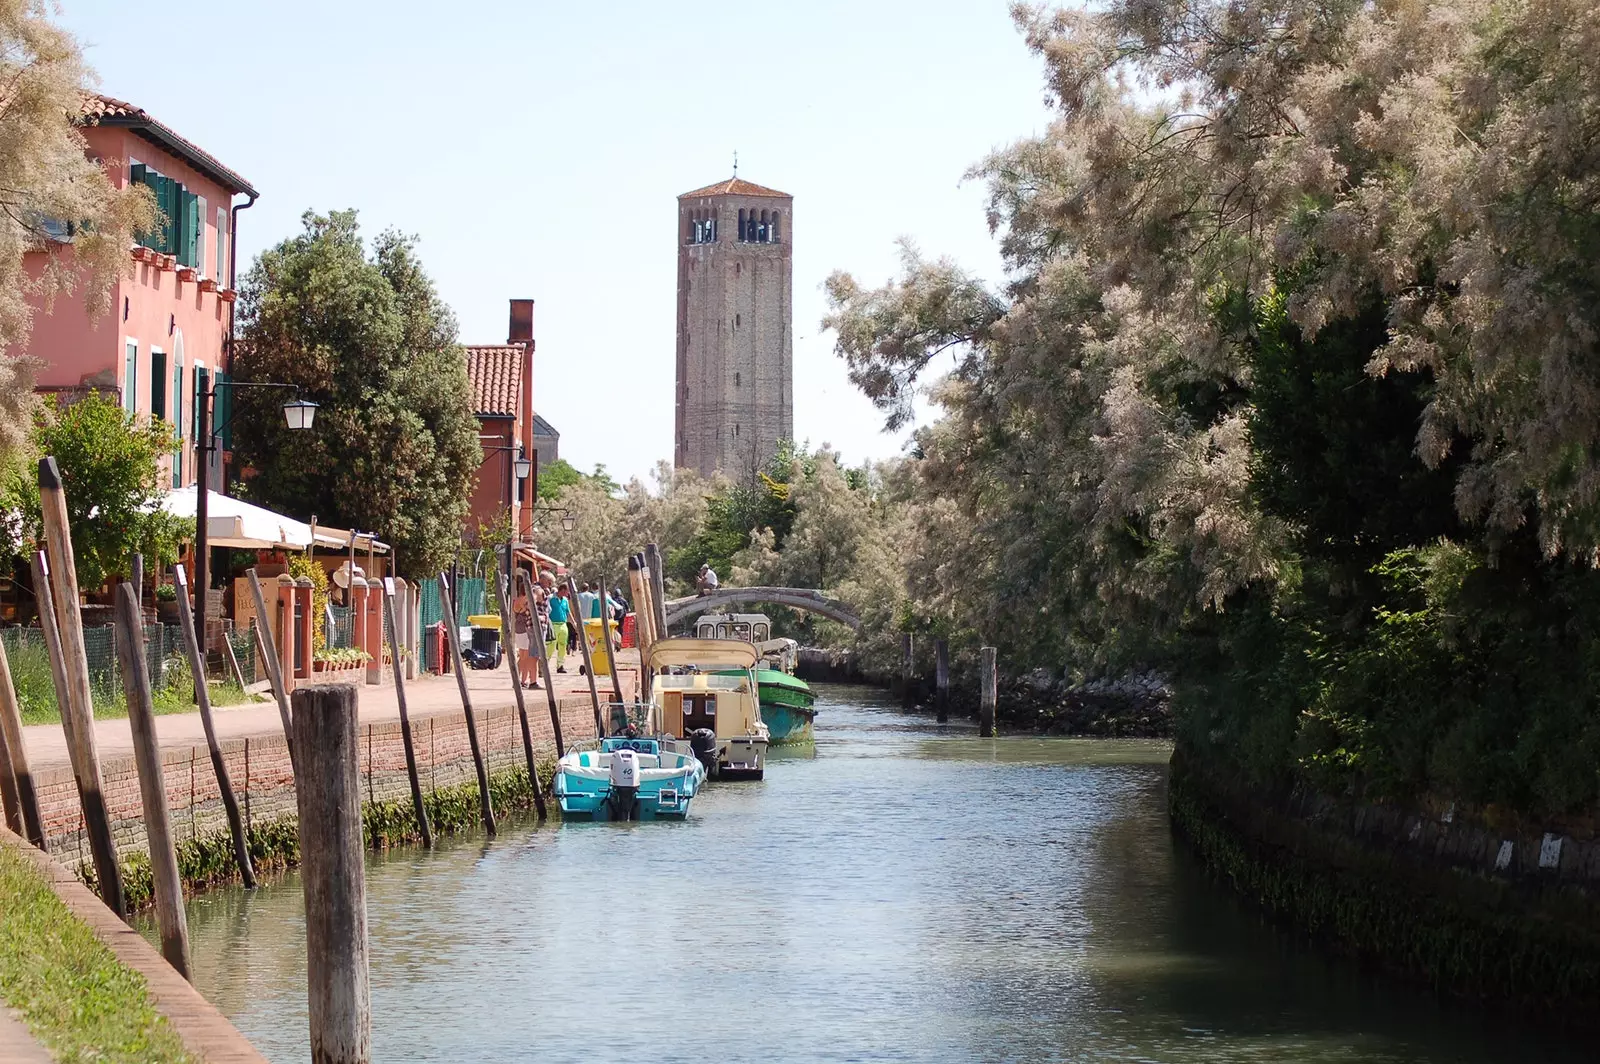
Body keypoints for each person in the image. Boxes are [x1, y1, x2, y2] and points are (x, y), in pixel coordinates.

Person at [540, 570, 570, 672]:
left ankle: (560, 665)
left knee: (563, 645)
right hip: (553, 625)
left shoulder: (565, 600)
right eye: (567, 591)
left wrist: (574, 624)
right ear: (562, 590)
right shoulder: (551, 598)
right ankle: (544, 665)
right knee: (551, 646)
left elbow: (568, 612)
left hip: (563, 624)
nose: (568, 593)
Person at [513, 588, 540, 690]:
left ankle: (519, 680)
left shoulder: (516, 600)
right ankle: (522, 681)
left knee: (522, 656)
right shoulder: (524, 600)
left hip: (518, 629)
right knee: (526, 657)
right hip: (525, 629)